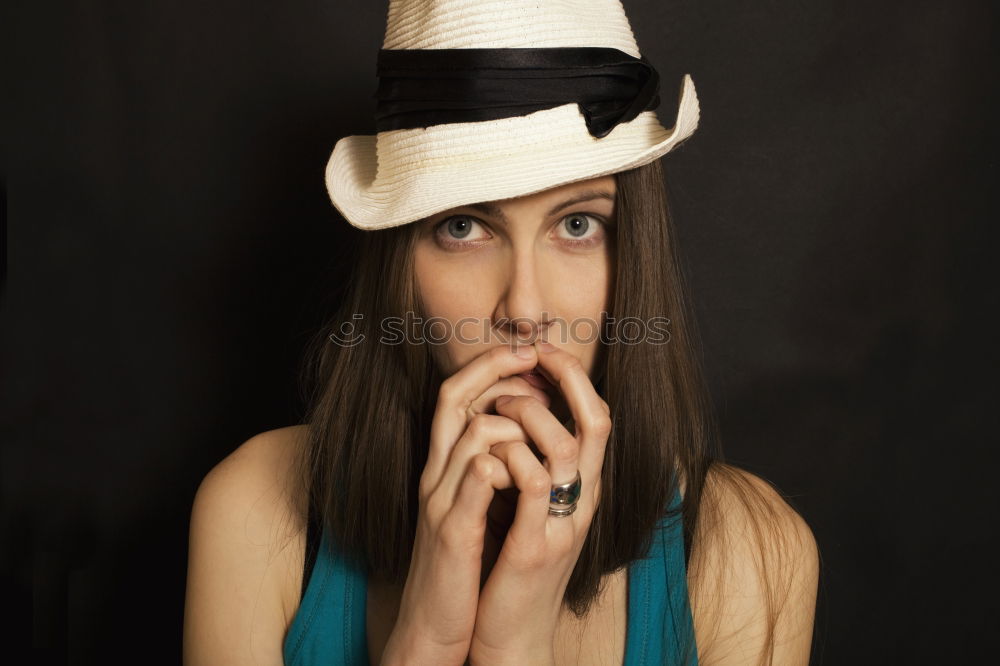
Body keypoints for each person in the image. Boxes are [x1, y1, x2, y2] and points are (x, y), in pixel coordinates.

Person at [183, 1, 819, 664]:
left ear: (633, 252)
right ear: (400, 266)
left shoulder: (750, 552)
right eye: (463, 227)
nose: (525, 308)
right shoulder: (258, 510)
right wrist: (426, 640)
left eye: (577, 225)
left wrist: (514, 646)